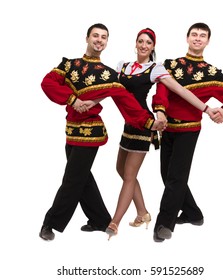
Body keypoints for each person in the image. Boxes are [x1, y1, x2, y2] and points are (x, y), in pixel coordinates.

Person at [39, 23, 166, 241]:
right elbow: (47, 83)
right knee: (82, 177)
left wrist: (148, 122)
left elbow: (126, 101)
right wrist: (72, 99)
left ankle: (50, 223)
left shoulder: (108, 74)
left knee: (72, 179)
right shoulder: (68, 65)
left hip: (91, 134)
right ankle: (100, 220)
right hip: (71, 130)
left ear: (106, 43)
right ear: (87, 38)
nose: (99, 40)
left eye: (104, 37)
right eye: (95, 36)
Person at [104, 28, 218, 240]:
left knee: (131, 176)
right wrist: (87, 101)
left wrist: (206, 109)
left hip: (144, 125)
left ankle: (115, 222)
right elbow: (107, 88)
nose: (144, 45)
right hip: (127, 125)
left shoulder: (155, 69)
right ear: (135, 43)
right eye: (141, 41)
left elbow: (181, 91)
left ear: (153, 46)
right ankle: (143, 213)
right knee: (121, 170)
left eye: (148, 42)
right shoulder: (122, 66)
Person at [152, 22, 223, 242]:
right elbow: (161, 90)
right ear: (187, 38)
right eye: (194, 34)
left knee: (175, 178)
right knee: (167, 175)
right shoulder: (171, 65)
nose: (198, 38)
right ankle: (193, 213)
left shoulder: (212, 72)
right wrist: (160, 112)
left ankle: (164, 225)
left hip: (189, 130)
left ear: (208, 41)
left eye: (203, 36)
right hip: (166, 127)